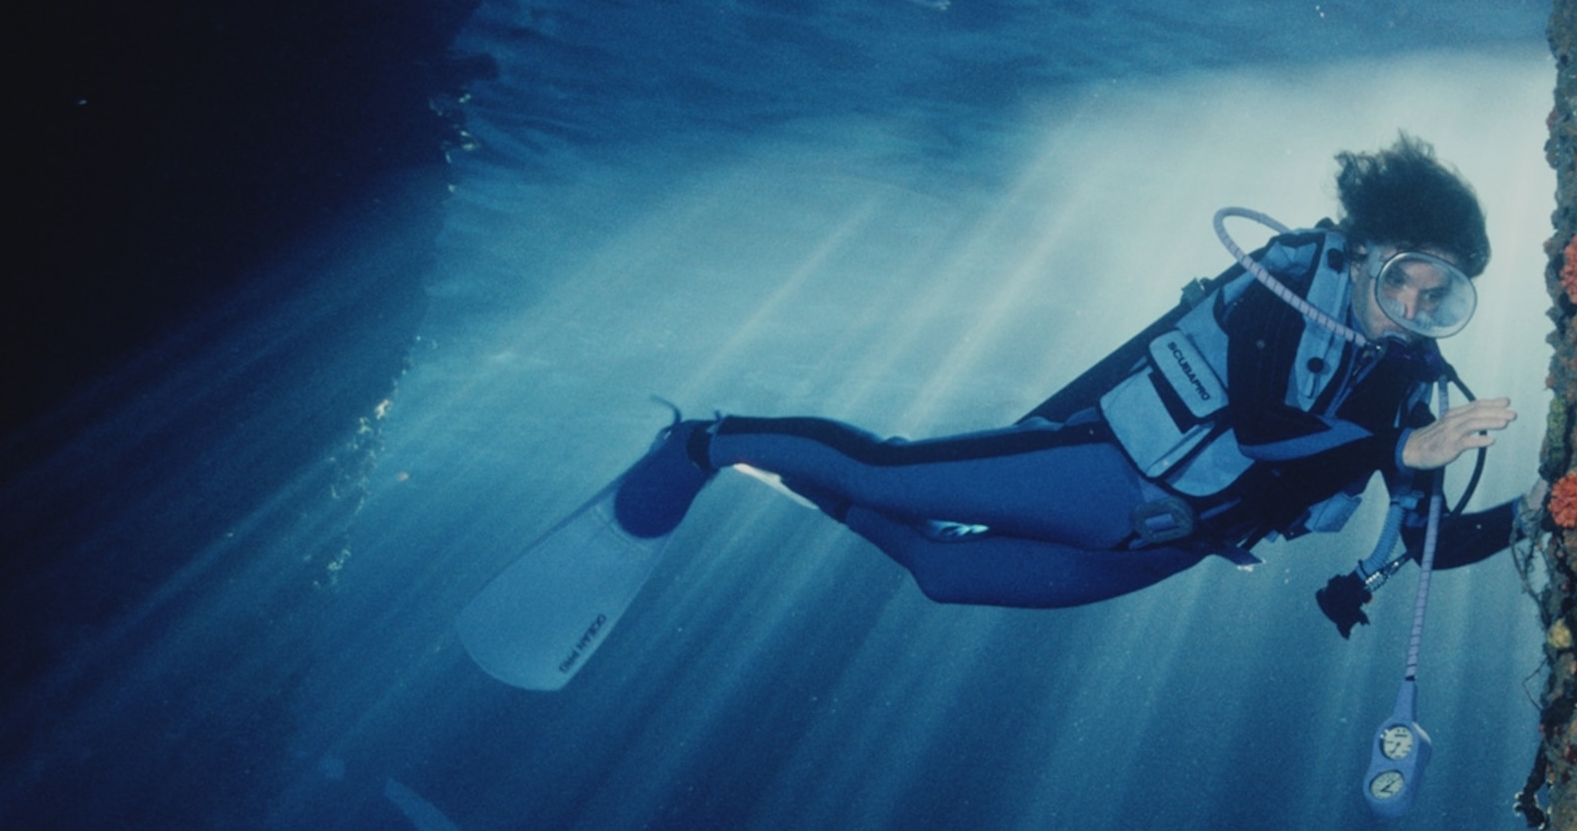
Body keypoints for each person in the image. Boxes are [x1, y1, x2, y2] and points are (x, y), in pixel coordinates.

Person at [610, 136, 1529, 618]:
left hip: (1177, 541)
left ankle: (783, 475)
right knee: (893, 473)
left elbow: (1431, 537)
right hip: (1107, 472)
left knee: (939, 570)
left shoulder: (1407, 384)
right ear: (1367, 245)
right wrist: (1402, 445)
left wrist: (1542, 514)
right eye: (1405, 273)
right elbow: (1257, 426)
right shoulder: (1286, 277)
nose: (1412, 306)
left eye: (1440, 296)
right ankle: (705, 441)